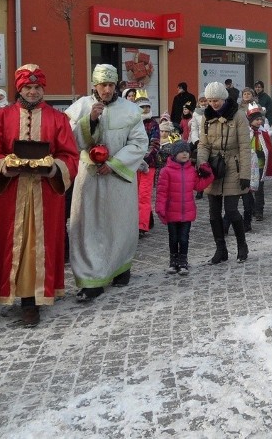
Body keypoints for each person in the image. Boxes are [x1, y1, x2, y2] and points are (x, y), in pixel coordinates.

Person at [0, 64, 79, 326]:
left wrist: (54, 166)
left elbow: (70, 155)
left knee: (39, 245)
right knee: (12, 242)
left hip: (45, 194)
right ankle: (14, 292)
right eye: (27, 87)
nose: (33, 92)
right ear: (19, 88)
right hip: (11, 194)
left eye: (37, 87)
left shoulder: (59, 119)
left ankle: (32, 300)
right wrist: (3, 166)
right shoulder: (0, 118)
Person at [66, 64, 149, 301]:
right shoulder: (80, 107)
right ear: (95, 84)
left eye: (112, 85)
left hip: (117, 178)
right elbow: (68, 140)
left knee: (120, 224)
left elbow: (139, 143)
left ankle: (121, 267)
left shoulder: (131, 110)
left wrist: (113, 163)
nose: (107, 89)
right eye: (103, 84)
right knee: (88, 227)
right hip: (90, 178)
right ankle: (91, 278)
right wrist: (89, 120)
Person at [196, 81, 252, 264]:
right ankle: (221, 249)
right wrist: (202, 164)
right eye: (210, 100)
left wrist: (245, 174)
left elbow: (245, 147)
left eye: (216, 100)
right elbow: (203, 144)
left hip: (233, 166)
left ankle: (242, 245)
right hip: (213, 166)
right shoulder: (206, 117)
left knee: (231, 210)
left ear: (224, 98)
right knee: (213, 213)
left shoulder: (238, 116)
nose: (213, 104)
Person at [155, 140, 214, 275]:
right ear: (174, 154)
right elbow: (161, 192)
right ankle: (173, 260)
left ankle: (183, 261)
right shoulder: (166, 171)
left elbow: (198, 186)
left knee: (184, 238)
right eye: (181, 152)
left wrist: (209, 175)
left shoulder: (191, 171)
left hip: (187, 212)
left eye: (187, 151)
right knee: (173, 238)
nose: (185, 154)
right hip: (171, 212)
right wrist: (160, 208)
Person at [243, 103, 272, 225]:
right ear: (250, 121)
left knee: (259, 189)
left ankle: (259, 210)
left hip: (260, 165)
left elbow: (268, 148)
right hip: (249, 166)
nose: (259, 122)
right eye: (256, 119)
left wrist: (262, 152)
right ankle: (251, 208)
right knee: (248, 189)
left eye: (260, 119)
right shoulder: (246, 133)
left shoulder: (263, 133)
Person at [136, 94, 160, 234]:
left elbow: (155, 143)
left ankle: (141, 226)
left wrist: (145, 158)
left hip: (148, 165)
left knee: (144, 195)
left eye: (147, 106)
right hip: (133, 164)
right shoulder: (132, 123)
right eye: (142, 107)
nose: (145, 109)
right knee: (134, 195)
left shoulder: (153, 124)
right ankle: (145, 219)